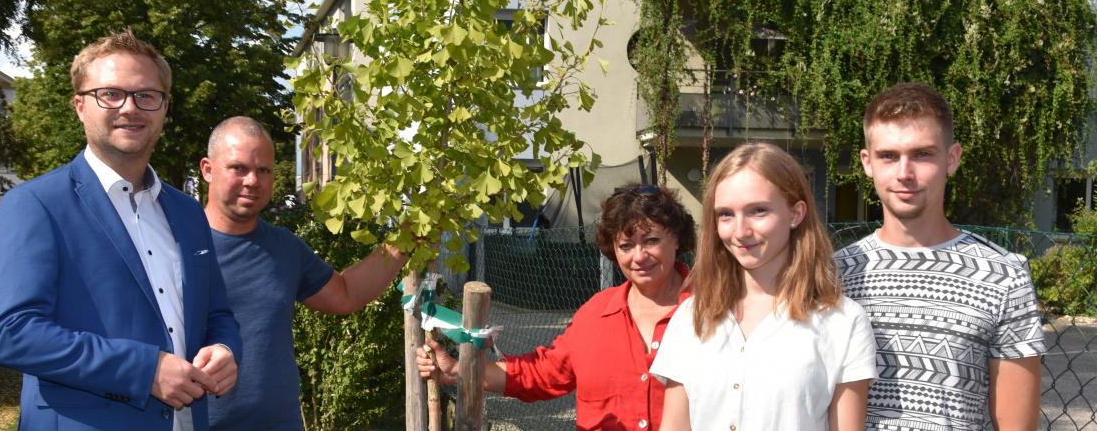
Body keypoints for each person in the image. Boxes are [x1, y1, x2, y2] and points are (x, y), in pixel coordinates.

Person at [0, 29, 242, 430]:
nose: (130, 108)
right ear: (80, 106)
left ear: (164, 107)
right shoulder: (34, 205)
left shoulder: (188, 212)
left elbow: (217, 313)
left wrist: (226, 349)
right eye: (110, 94)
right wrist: (145, 370)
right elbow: (14, 334)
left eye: (146, 95)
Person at [835, 82, 1044, 431]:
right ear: (867, 163)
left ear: (952, 158)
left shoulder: (1005, 277)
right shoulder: (833, 274)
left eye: (922, 154)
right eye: (889, 156)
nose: (904, 173)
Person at [417, 184, 696, 430]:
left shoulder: (711, 312)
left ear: (677, 239)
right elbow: (541, 374)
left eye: (651, 240)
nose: (638, 256)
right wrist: (457, 370)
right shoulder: (595, 315)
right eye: (626, 245)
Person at [198, 116, 408, 430]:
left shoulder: (284, 248)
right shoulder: (175, 246)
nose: (253, 180)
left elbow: (345, 294)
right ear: (208, 170)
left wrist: (404, 241)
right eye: (238, 168)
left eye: (263, 170)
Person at [650, 143, 877, 431]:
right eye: (726, 215)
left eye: (758, 211)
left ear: (795, 214)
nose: (740, 231)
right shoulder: (691, 317)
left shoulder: (843, 321)